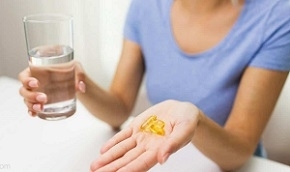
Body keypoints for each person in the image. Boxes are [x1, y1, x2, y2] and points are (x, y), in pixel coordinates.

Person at [18, 0, 290, 171]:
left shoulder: (277, 15)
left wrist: (194, 120)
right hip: (161, 158)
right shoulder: (146, 6)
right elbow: (119, 109)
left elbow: (239, 153)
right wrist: (78, 80)